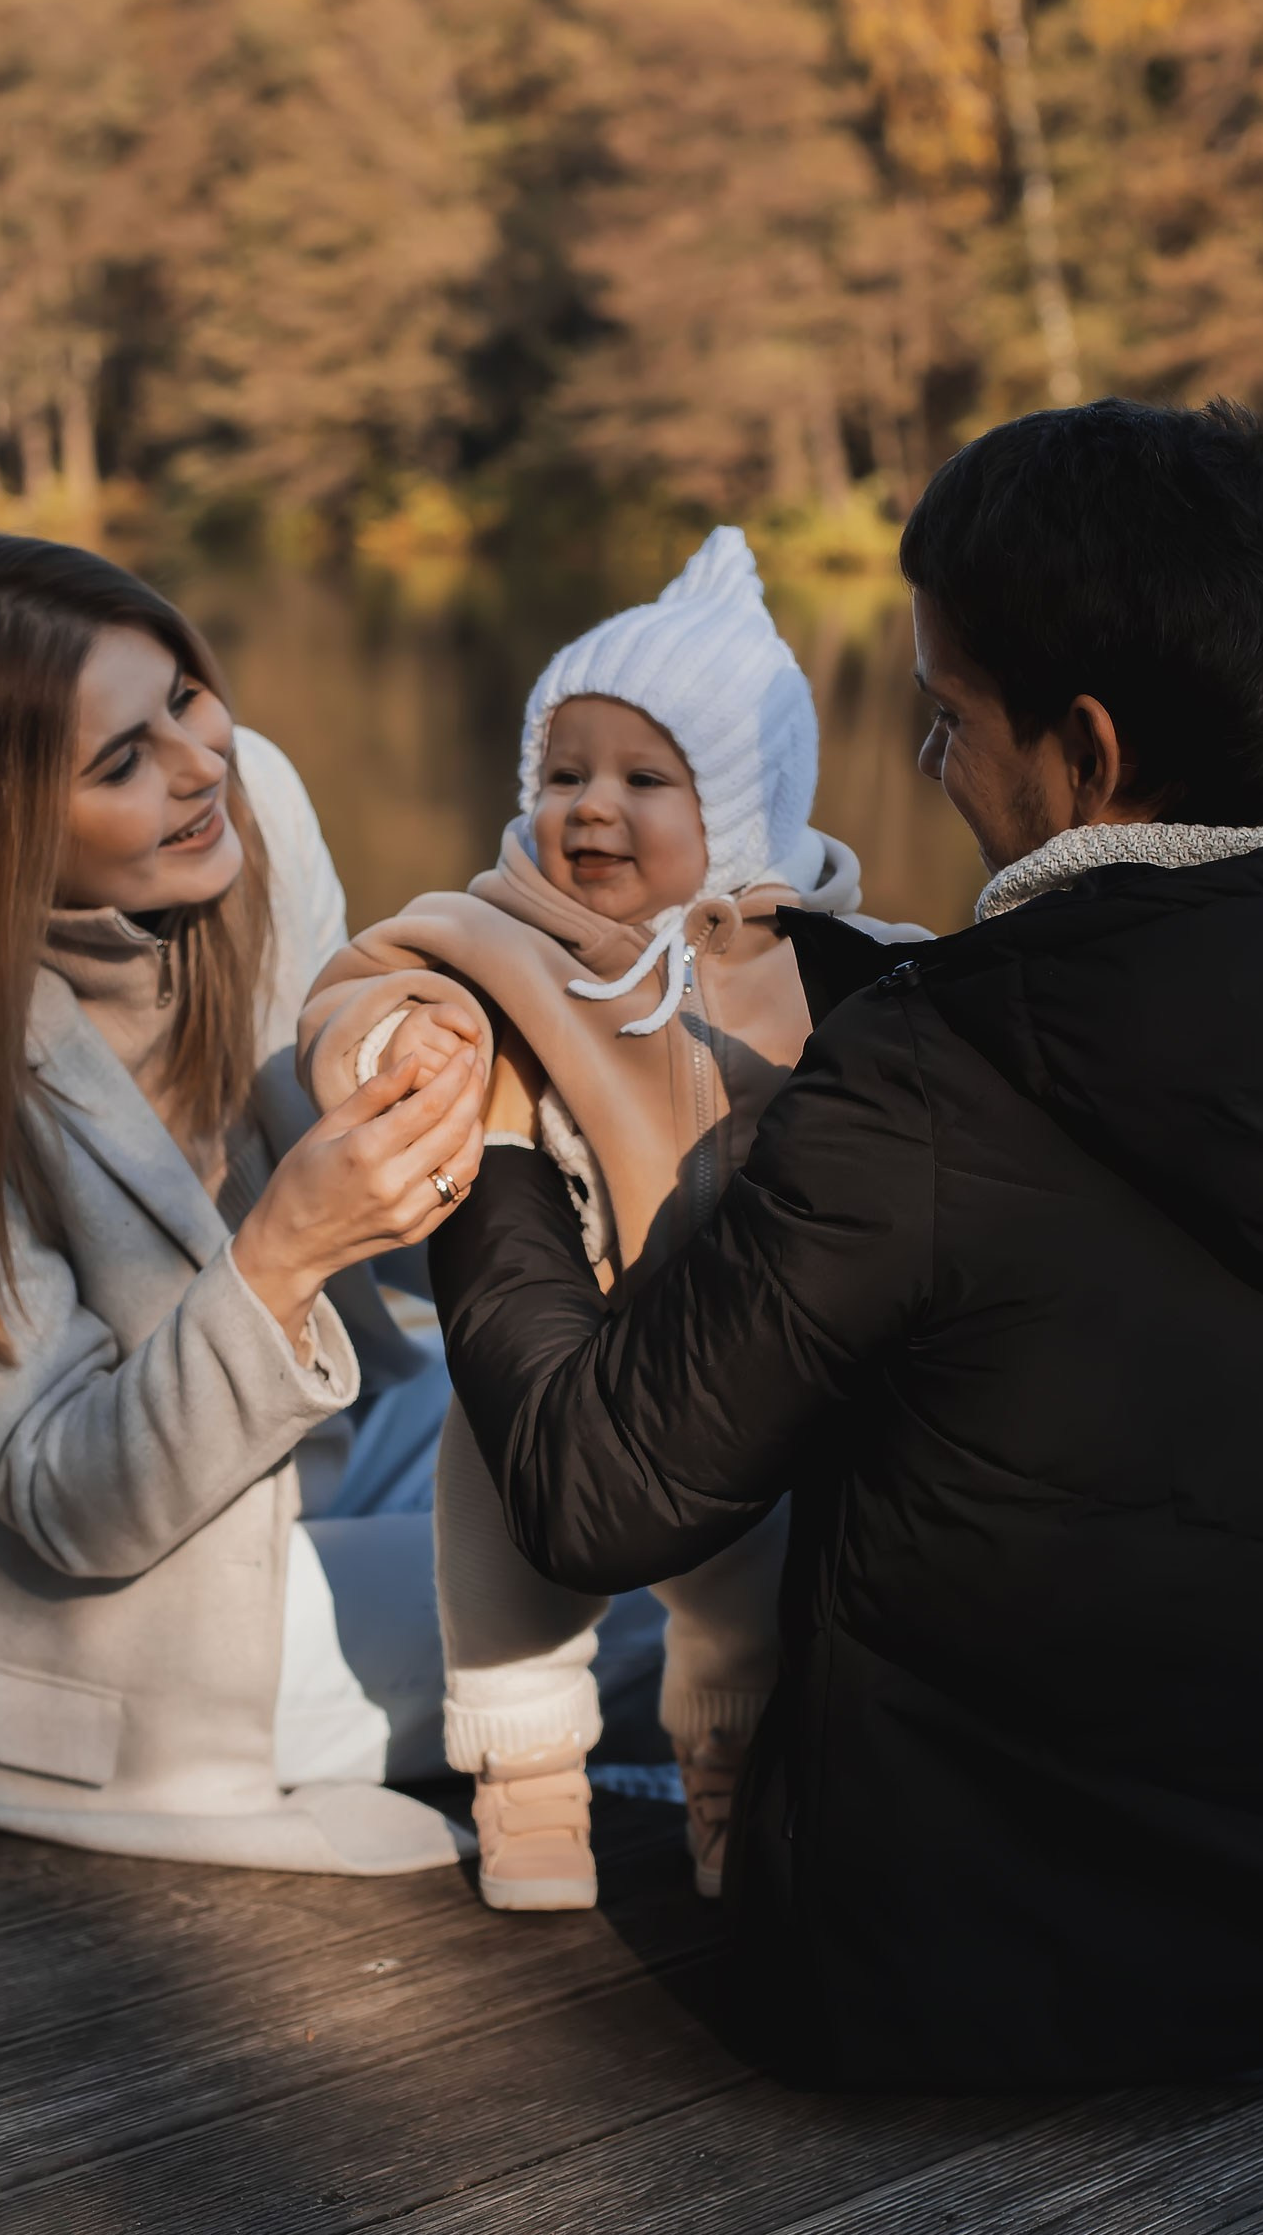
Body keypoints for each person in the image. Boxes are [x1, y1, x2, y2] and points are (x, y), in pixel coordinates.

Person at [433, 400, 1263, 2086]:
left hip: (948, 1976)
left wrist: (493, 1155)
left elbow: (596, 1494)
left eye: (948, 723)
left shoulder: (933, 1078)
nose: (937, 775)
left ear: (1086, 753)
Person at [0, 532, 488, 1874]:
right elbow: (67, 1495)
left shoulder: (244, 806)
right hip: (88, 1639)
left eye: (183, 696)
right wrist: (278, 1260)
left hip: (318, 1456)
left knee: (670, 1446)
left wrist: (429, 1082)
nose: (197, 762)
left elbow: (344, 1110)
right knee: (681, 1584)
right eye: (120, 763)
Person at [299, 529, 922, 1911]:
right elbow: (364, 989)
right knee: (501, 1582)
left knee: (748, 1610)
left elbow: (943, 1023)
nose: (592, 808)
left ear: (745, 807)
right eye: (564, 773)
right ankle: (527, 1797)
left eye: (647, 778)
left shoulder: (836, 972)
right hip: (548, 1357)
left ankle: (728, 1782)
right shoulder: (493, 938)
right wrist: (404, 1042)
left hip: (744, 1375)